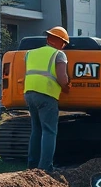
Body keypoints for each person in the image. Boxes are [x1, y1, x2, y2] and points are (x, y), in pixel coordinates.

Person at [24, 26, 71, 172]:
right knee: (49, 131)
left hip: (29, 93)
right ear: (58, 41)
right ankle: (45, 167)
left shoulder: (30, 53)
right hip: (46, 94)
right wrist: (67, 88)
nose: (63, 46)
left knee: (36, 130)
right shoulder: (59, 55)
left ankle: (32, 165)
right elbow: (62, 78)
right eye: (63, 43)